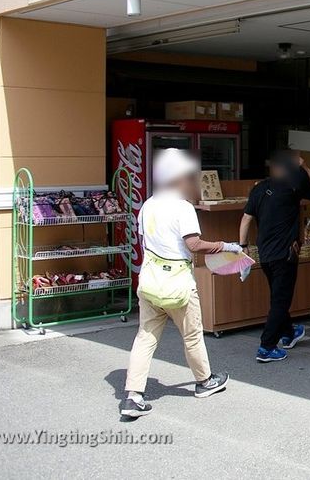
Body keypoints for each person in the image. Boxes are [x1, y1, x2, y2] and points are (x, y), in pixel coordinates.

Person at [120, 148, 234, 418]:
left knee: (145, 337)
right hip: (178, 284)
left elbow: (143, 241)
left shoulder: (147, 205)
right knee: (192, 335)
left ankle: (133, 395)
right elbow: (193, 245)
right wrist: (225, 246)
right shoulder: (182, 208)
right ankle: (204, 382)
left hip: (150, 282)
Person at [239, 150, 310, 363]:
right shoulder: (292, 187)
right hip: (285, 254)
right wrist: (305, 166)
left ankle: (289, 332)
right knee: (280, 300)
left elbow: (245, 219)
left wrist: (243, 246)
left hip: (265, 254)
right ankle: (266, 347)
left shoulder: (258, 189)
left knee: (278, 296)